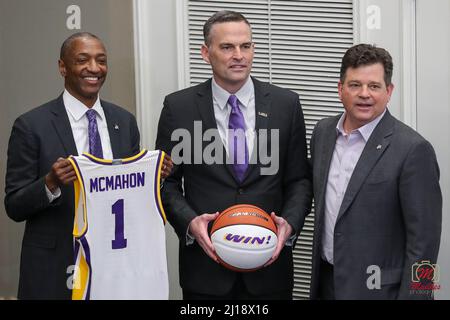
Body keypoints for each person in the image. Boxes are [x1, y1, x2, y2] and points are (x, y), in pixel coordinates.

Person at [156, 11, 312, 299]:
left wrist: (288, 225)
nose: (238, 55)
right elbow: (165, 182)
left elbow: (300, 180)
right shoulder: (179, 108)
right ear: (206, 52)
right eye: (227, 47)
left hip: (270, 272)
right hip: (205, 272)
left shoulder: (285, 105)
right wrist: (190, 222)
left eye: (246, 46)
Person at [4, 32, 172, 299]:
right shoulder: (31, 125)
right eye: (83, 60)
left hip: (115, 264)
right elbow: (14, 205)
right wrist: (50, 183)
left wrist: (154, 177)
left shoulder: (124, 121)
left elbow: (129, 195)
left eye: (101, 60)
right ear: (63, 67)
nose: (94, 68)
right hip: (55, 265)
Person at [309, 43, 442, 299]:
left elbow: (424, 246)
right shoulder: (323, 133)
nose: (364, 94)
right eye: (355, 85)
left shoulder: (413, 150)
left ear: (389, 91)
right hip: (327, 284)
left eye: (374, 86)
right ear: (340, 89)